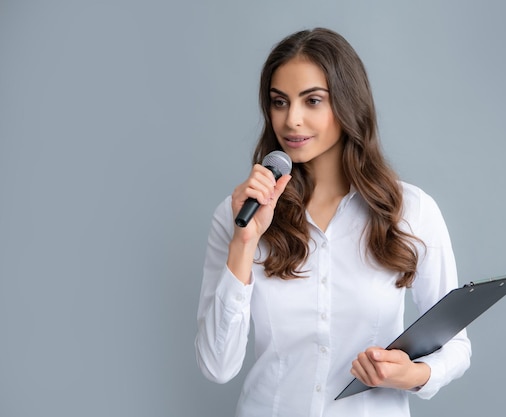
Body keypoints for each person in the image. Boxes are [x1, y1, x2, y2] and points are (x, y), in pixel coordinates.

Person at [195, 27, 471, 417]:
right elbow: (216, 366)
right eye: (279, 102)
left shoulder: (412, 211)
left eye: (312, 101)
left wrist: (412, 375)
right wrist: (244, 244)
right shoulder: (239, 214)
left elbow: (457, 347)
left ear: (347, 103)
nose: (292, 120)